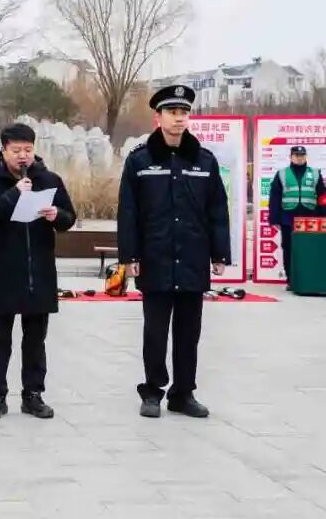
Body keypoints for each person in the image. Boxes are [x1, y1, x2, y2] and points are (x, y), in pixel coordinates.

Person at [118, 84, 230, 419]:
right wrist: (129, 257)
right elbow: (128, 213)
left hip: (192, 260)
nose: (179, 119)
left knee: (188, 333)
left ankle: (183, 394)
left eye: (184, 113)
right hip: (155, 259)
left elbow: (217, 210)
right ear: (159, 117)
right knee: (155, 333)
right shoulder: (140, 161)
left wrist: (219, 254)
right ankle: (153, 391)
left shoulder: (204, 161)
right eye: (172, 112)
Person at [0, 123, 77, 420]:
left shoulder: (49, 180)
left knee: (35, 339)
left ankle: (33, 395)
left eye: (28, 150)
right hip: (4, 270)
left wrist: (56, 215)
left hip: (38, 271)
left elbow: (69, 218)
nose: (23, 156)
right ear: (4, 150)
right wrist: (12, 195)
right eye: (16, 150)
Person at [268, 145, 326, 287]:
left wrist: (323, 215)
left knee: (310, 249)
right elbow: (275, 197)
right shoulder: (282, 174)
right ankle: (291, 279)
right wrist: (274, 218)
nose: (299, 158)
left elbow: (322, 196)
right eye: (296, 155)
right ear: (291, 157)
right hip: (288, 218)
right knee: (288, 248)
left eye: (302, 155)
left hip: (310, 219)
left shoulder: (315, 173)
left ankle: (309, 279)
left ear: (306, 156)